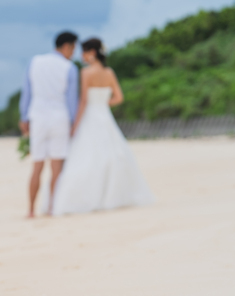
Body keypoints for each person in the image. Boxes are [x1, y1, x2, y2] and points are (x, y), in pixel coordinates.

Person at [51, 38, 154, 216]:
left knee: (86, 156)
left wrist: (75, 124)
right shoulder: (109, 72)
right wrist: (103, 103)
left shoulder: (86, 73)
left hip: (90, 116)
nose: (81, 55)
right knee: (113, 154)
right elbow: (119, 97)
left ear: (91, 53)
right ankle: (113, 196)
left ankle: (85, 198)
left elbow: (83, 101)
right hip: (104, 116)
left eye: (83, 52)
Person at [19, 31, 80, 217]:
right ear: (67, 46)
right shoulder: (69, 67)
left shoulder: (35, 61)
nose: (73, 53)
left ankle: (31, 210)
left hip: (37, 116)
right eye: (73, 48)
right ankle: (52, 207)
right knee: (56, 167)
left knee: (37, 165)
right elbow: (71, 100)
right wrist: (73, 122)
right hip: (59, 117)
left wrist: (24, 117)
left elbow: (27, 92)